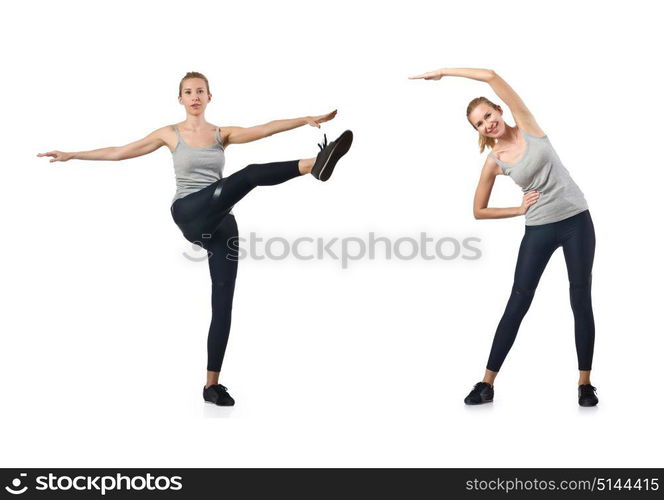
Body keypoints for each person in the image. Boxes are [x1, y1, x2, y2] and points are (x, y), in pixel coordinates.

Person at [37, 71, 353, 406]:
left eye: (200, 91)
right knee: (249, 175)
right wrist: (72, 155)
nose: (195, 97)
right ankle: (313, 164)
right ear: (181, 99)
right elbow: (119, 151)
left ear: (209, 96)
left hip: (221, 222)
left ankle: (211, 386)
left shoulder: (222, 134)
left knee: (223, 303)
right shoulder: (169, 134)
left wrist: (304, 120)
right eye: (188, 92)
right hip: (189, 211)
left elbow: (265, 128)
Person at [410, 68, 598, 407]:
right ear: (479, 131)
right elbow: (477, 211)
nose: (487, 124)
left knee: (580, 297)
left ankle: (585, 384)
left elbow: (491, 75)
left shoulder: (527, 123)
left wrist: (444, 73)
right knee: (518, 302)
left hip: (576, 222)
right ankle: (486, 384)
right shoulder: (494, 160)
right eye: (479, 124)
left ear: (498, 110)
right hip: (539, 228)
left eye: (488, 115)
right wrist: (517, 209)